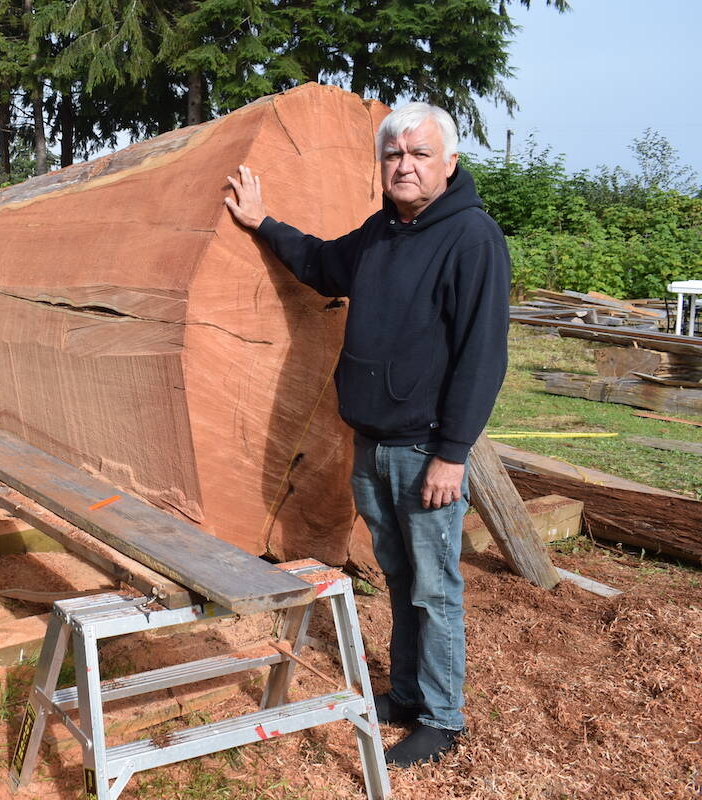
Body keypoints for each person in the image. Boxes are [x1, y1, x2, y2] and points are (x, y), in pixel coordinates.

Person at [224, 102, 510, 766]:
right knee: (402, 574)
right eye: (393, 155)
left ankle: (442, 718)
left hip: (425, 449)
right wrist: (262, 222)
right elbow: (323, 264)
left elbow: (482, 356)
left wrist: (452, 453)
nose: (404, 166)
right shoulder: (383, 231)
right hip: (372, 444)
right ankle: (407, 694)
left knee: (435, 585)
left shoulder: (472, 237)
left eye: (419, 154)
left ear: (450, 163)